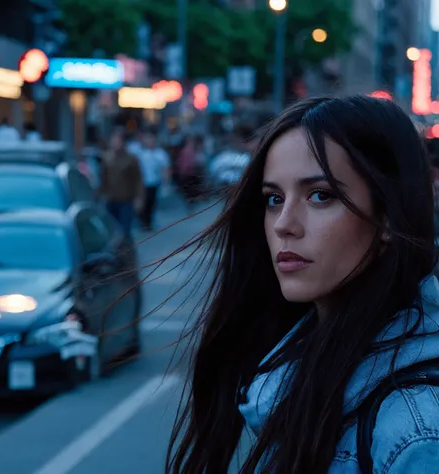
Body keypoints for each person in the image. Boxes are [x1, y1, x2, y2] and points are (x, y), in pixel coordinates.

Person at [165, 96, 439, 473]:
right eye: (274, 199)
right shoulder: (303, 363)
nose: (283, 224)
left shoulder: (413, 430)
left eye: (320, 195)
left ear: (389, 219)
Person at [99, 129, 144, 238]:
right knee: (110, 231)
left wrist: (139, 198)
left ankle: (126, 252)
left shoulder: (131, 159)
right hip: (110, 200)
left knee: (125, 231)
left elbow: (138, 180)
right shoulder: (106, 157)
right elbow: (103, 179)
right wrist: (99, 195)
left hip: (126, 201)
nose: (115, 143)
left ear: (123, 142)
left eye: (118, 140)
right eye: (113, 140)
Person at [136, 132, 171, 231]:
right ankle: (144, 222)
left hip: (154, 182)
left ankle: (148, 221)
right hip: (142, 183)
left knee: (151, 202)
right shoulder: (141, 153)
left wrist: (166, 181)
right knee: (143, 202)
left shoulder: (160, 154)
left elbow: (165, 168)